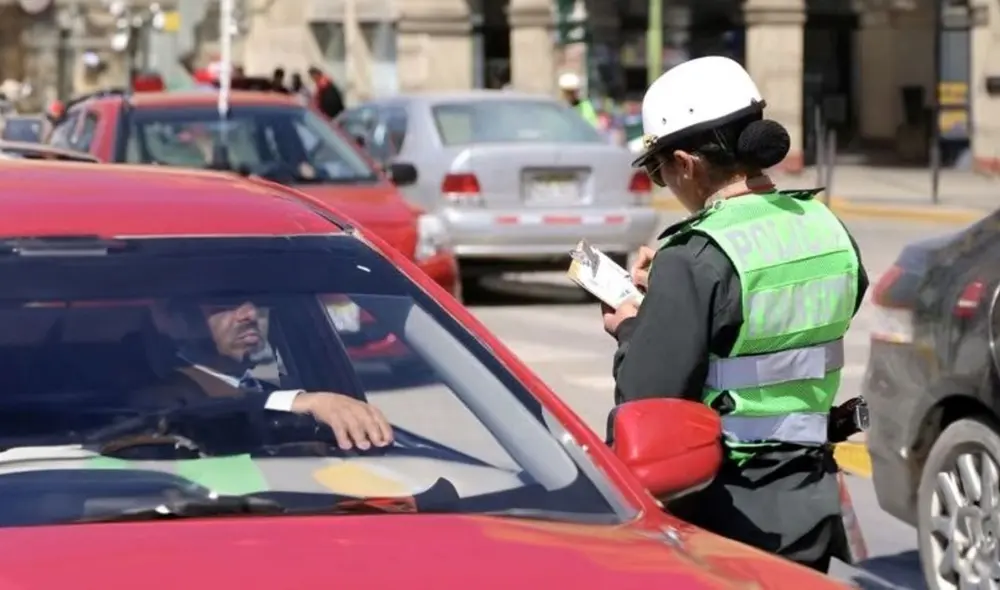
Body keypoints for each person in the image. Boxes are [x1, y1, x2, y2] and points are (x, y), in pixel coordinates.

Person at [601, 56, 869, 573]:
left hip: (721, 506)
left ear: (686, 163)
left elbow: (647, 398)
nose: (666, 184)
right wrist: (679, 293)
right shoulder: (828, 230)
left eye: (659, 171)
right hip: (808, 498)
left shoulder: (693, 258)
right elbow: (776, 314)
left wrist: (633, 323)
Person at [136, 298, 393, 451]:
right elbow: (207, 412)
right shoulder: (163, 396)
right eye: (225, 303)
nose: (249, 313)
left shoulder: (258, 387)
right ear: (172, 321)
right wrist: (304, 402)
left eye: (255, 301)